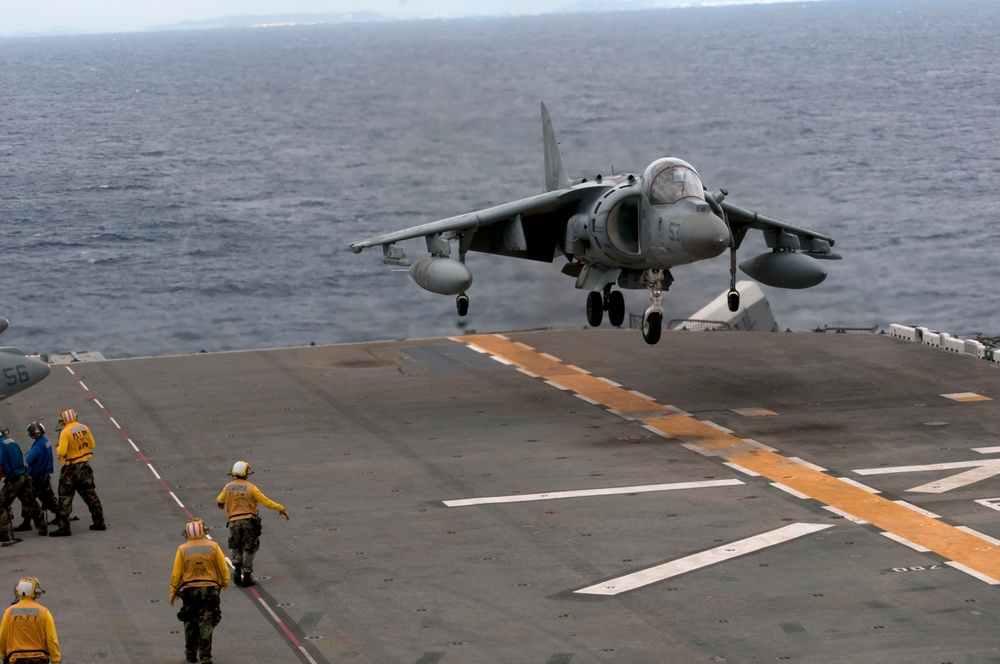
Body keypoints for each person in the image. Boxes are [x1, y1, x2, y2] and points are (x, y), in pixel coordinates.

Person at [216, 460, 289, 587]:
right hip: (248, 522)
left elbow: (219, 499)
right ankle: (247, 576)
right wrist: (281, 508)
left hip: (233, 522)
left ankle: (237, 570)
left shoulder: (228, 487)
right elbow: (266, 502)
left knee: (236, 545)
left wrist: (221, 503)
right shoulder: (251, 488)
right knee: (248, 547)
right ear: (246, 473)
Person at [170, 518, 229, 664]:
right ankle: (205, 656)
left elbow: (176, 573)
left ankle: (190, 653)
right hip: (210, 589)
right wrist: (224, 581)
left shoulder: (182, 549)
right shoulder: (213, 546)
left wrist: (173, 590)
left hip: (190, 591)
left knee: (189, 620)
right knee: (207, 621)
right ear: (203, 531)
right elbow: (223, 567)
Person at [49, 409, 105, 537]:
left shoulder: (65, 432)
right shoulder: (84, 427)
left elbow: (61, 452)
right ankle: (99, 521)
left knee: (65, 497)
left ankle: (64, 527)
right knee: (90, 494)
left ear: (64, 420)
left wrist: (58, 446)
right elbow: (92, 444)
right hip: (85, 467)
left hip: (70, 469)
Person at [0, 576, 60, 663]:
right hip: (39, 659)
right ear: (35, 592)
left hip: (15, 659)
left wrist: (2, 655)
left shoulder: (8, 613)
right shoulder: (44, 613)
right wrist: (55, 659)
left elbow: (3, 637)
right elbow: (51, 639)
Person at [0, 428, 46, 537]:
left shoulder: (0, 445)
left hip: (14, 479)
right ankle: (43, 527)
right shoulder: (11, 441)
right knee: (30, 502)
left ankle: (3, 533)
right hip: (23, 475)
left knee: (1, 504)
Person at [16, 423, 57, 532]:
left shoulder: (38, 445)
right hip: (45, 474)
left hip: (36, 476)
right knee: (49, 496)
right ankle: (60, 515)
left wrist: (27, 454)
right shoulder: (46, 441)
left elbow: (29, 459)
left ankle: (27, 522)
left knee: (28, 499)